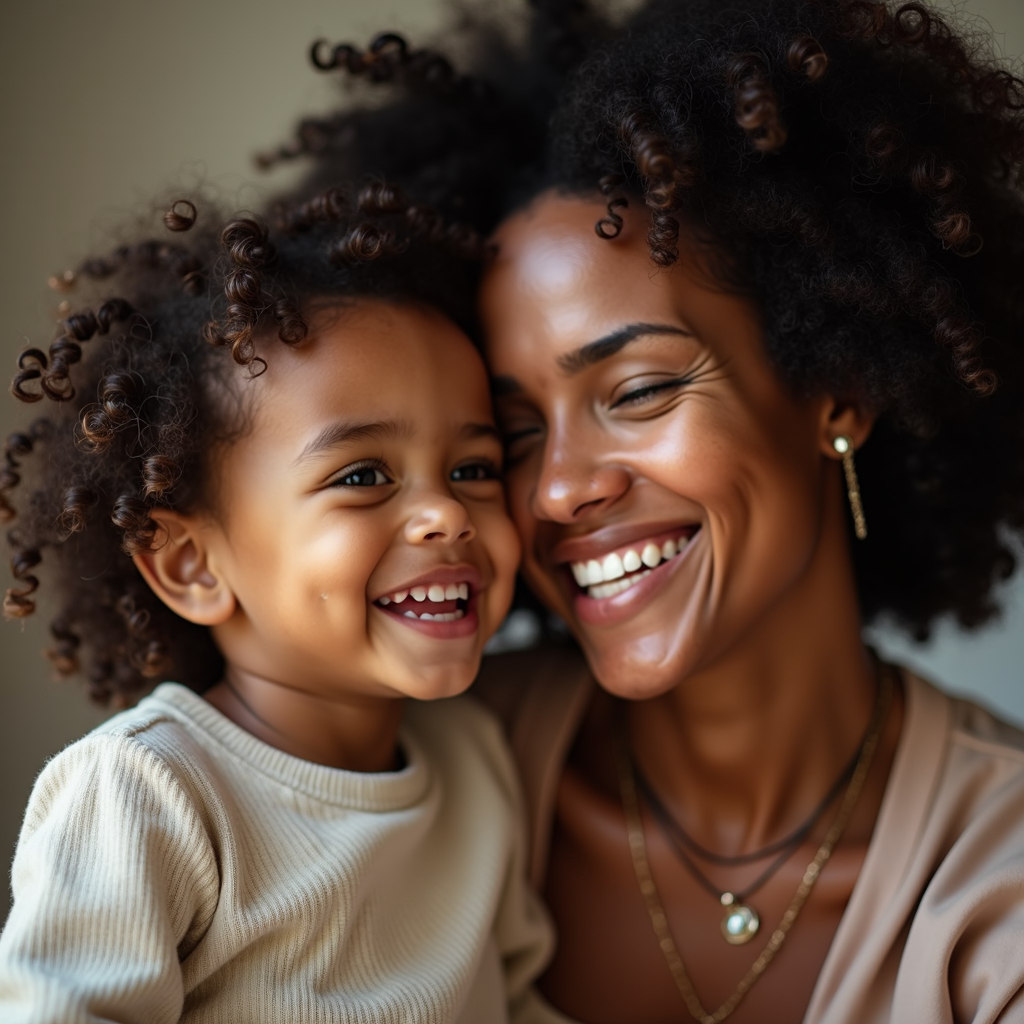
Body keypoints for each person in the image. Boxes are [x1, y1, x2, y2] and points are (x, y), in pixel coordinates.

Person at [271, 1, 1024, 1021]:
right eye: (513, 433)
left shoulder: (999, 879)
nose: (557, 489)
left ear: (836, 389)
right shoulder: (400, 771)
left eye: (636, 392)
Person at [0, 182, 552, 1022]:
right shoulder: (149, 793)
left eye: (473, 469)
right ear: (191, 566)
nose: (447, 513)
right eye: (363, 477)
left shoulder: (476, 763)